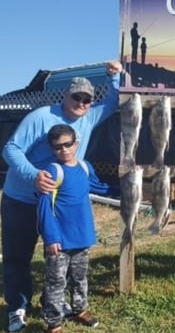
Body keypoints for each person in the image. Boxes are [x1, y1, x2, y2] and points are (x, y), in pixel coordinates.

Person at [1, 60, 122, 333]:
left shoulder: (89, 117)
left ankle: (54, 303)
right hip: (22, 199)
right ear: (65, 95)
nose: (81, 102)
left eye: (87, 99)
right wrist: (34, 174)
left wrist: (114, 76)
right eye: (76, 96)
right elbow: (11, 149)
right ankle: (17, 308)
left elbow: (113, 101)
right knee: (18, 257)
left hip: (60, 205)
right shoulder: (41, 117)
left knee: (62, 257)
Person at [38, 124, 102, 333]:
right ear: (52, 149)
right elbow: (44, 207)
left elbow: (100, 187)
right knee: (56, 283)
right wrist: (51, 237)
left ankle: (79, 309)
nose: (64, 150)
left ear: (76, 144)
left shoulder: (85, 167)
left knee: (80, 277)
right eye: (58, 147)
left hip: (83, 237)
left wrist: (127, 186)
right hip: (60, 241)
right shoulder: (52, 171)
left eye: (68, 144)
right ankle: (54, 323)